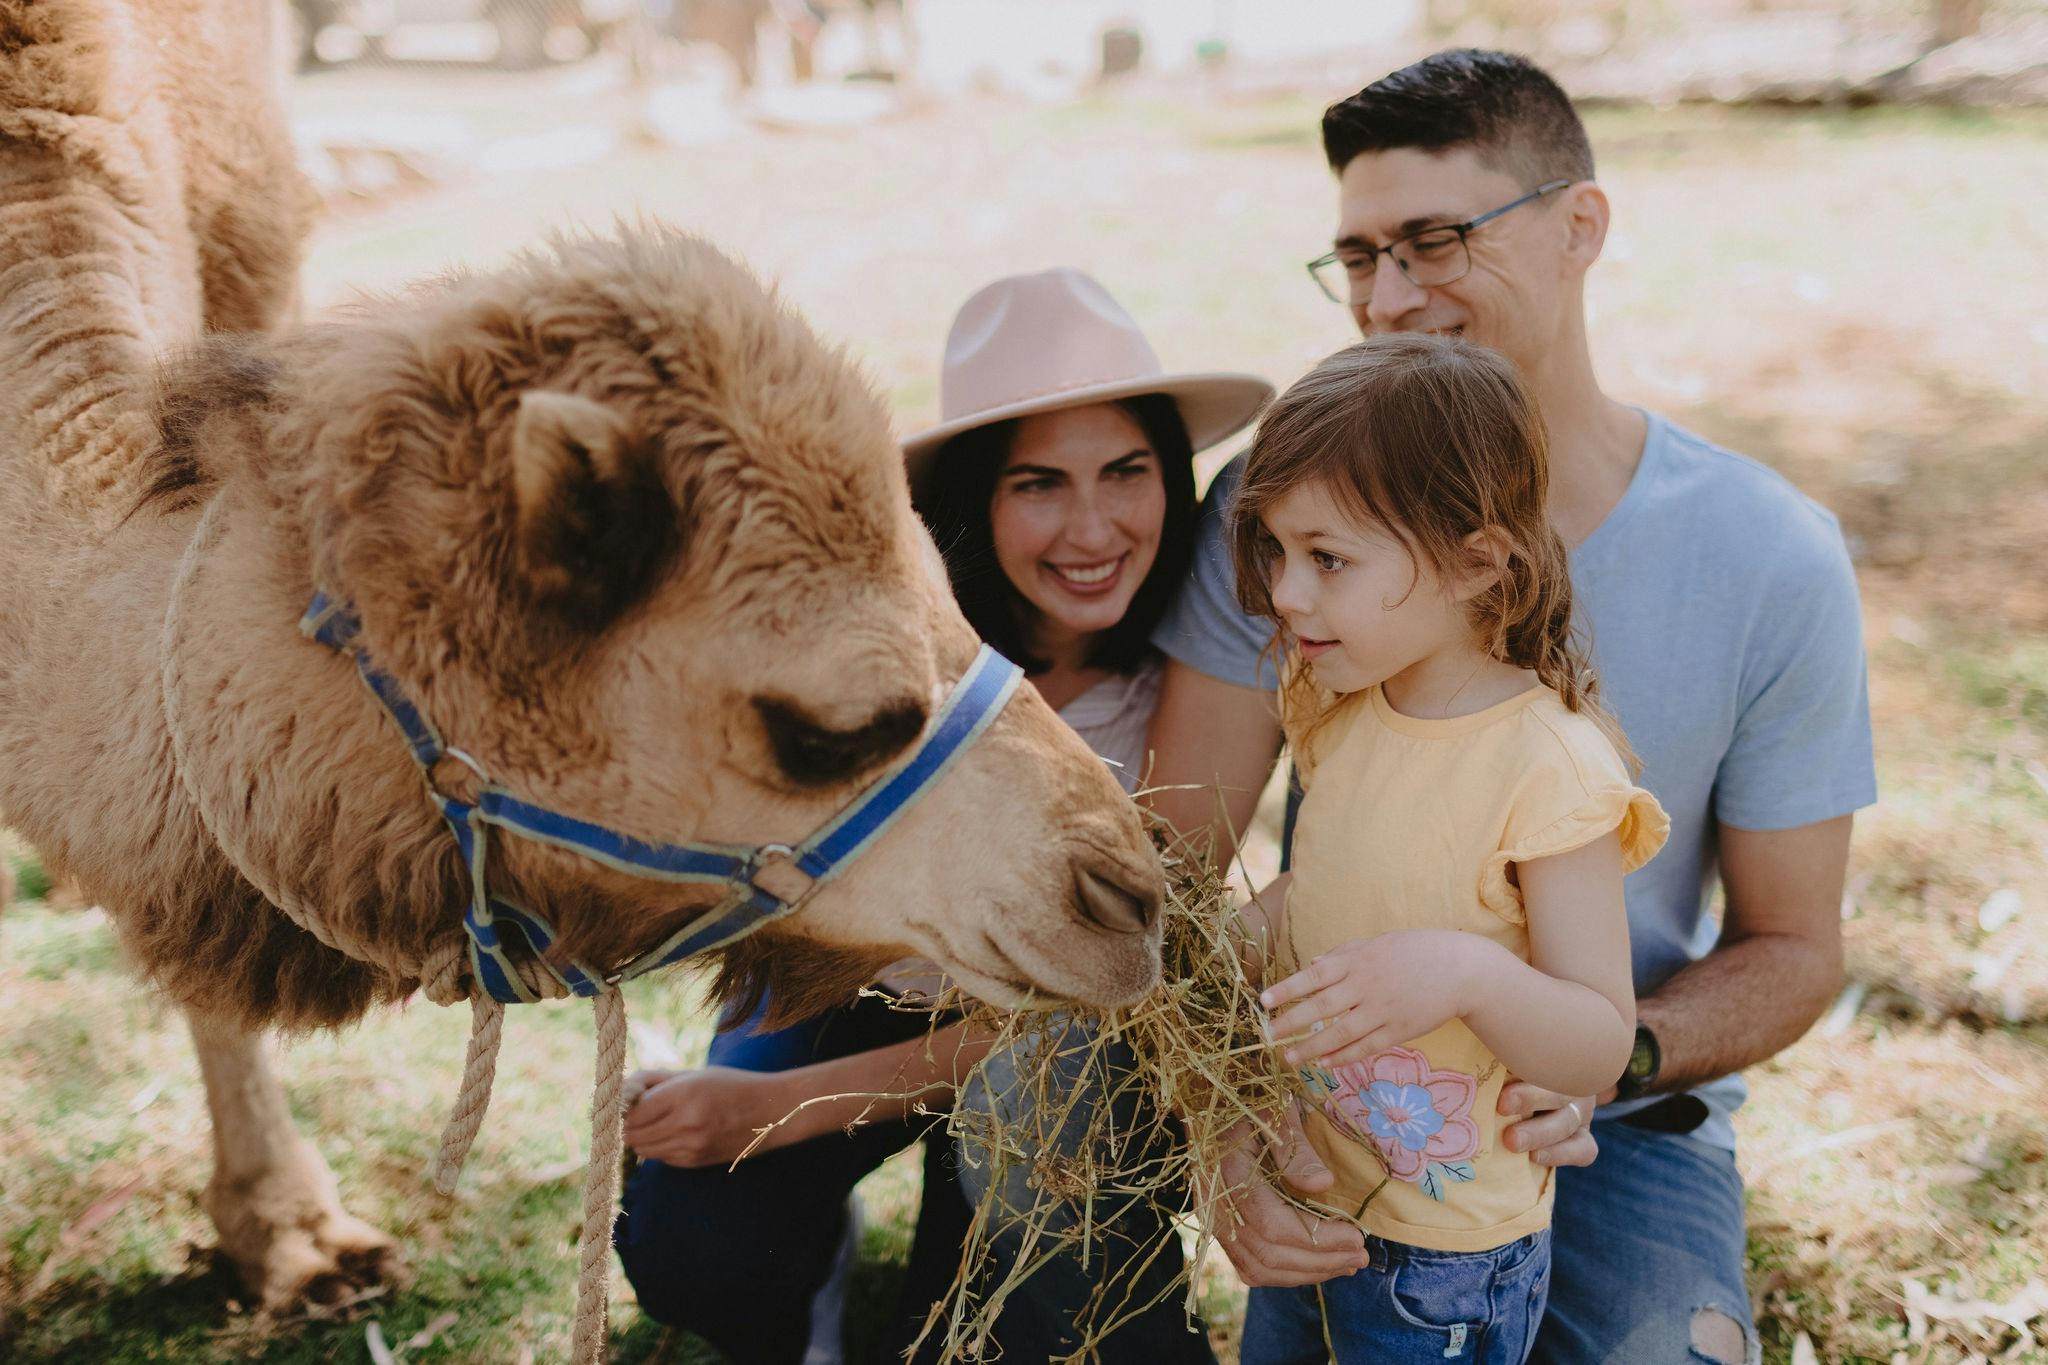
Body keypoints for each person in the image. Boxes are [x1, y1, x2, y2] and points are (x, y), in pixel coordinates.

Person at [1144, 50, 1876, 1365]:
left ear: (1580, 227)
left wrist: (1608, 1057)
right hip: (1349, 1089)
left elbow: (1795, 943)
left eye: (1432, 241)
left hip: (1618, 1100)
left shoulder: (1771, 551)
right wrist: (1229, 1122)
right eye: (1359, 256)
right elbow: (1179, 874)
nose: (1387, 297)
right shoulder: (1291, 514)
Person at [612, 267, 1271, 1364]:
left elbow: (1123, 997)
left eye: (1126, 471)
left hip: (1064, 1026)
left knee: (968, 1330)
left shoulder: (1189, 674)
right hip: (865, 984)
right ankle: (808, 1264)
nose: (1093, 526)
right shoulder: (894, 655)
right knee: (694, 1255)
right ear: (975, 495)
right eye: (1038, 485)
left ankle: (931, 1232)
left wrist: (785, 1110)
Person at [1222, 333, 1665, 1363]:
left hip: (1446, 1262)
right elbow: (1331, 883)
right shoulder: (1338, 707)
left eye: (1326, 559)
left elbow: (1596, 1039)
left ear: (1476, 563)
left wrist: (1466, 974)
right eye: (1277, 552)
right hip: (1312, 1199)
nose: (1286, 592)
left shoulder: (1547, 769)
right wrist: (1221, 951)